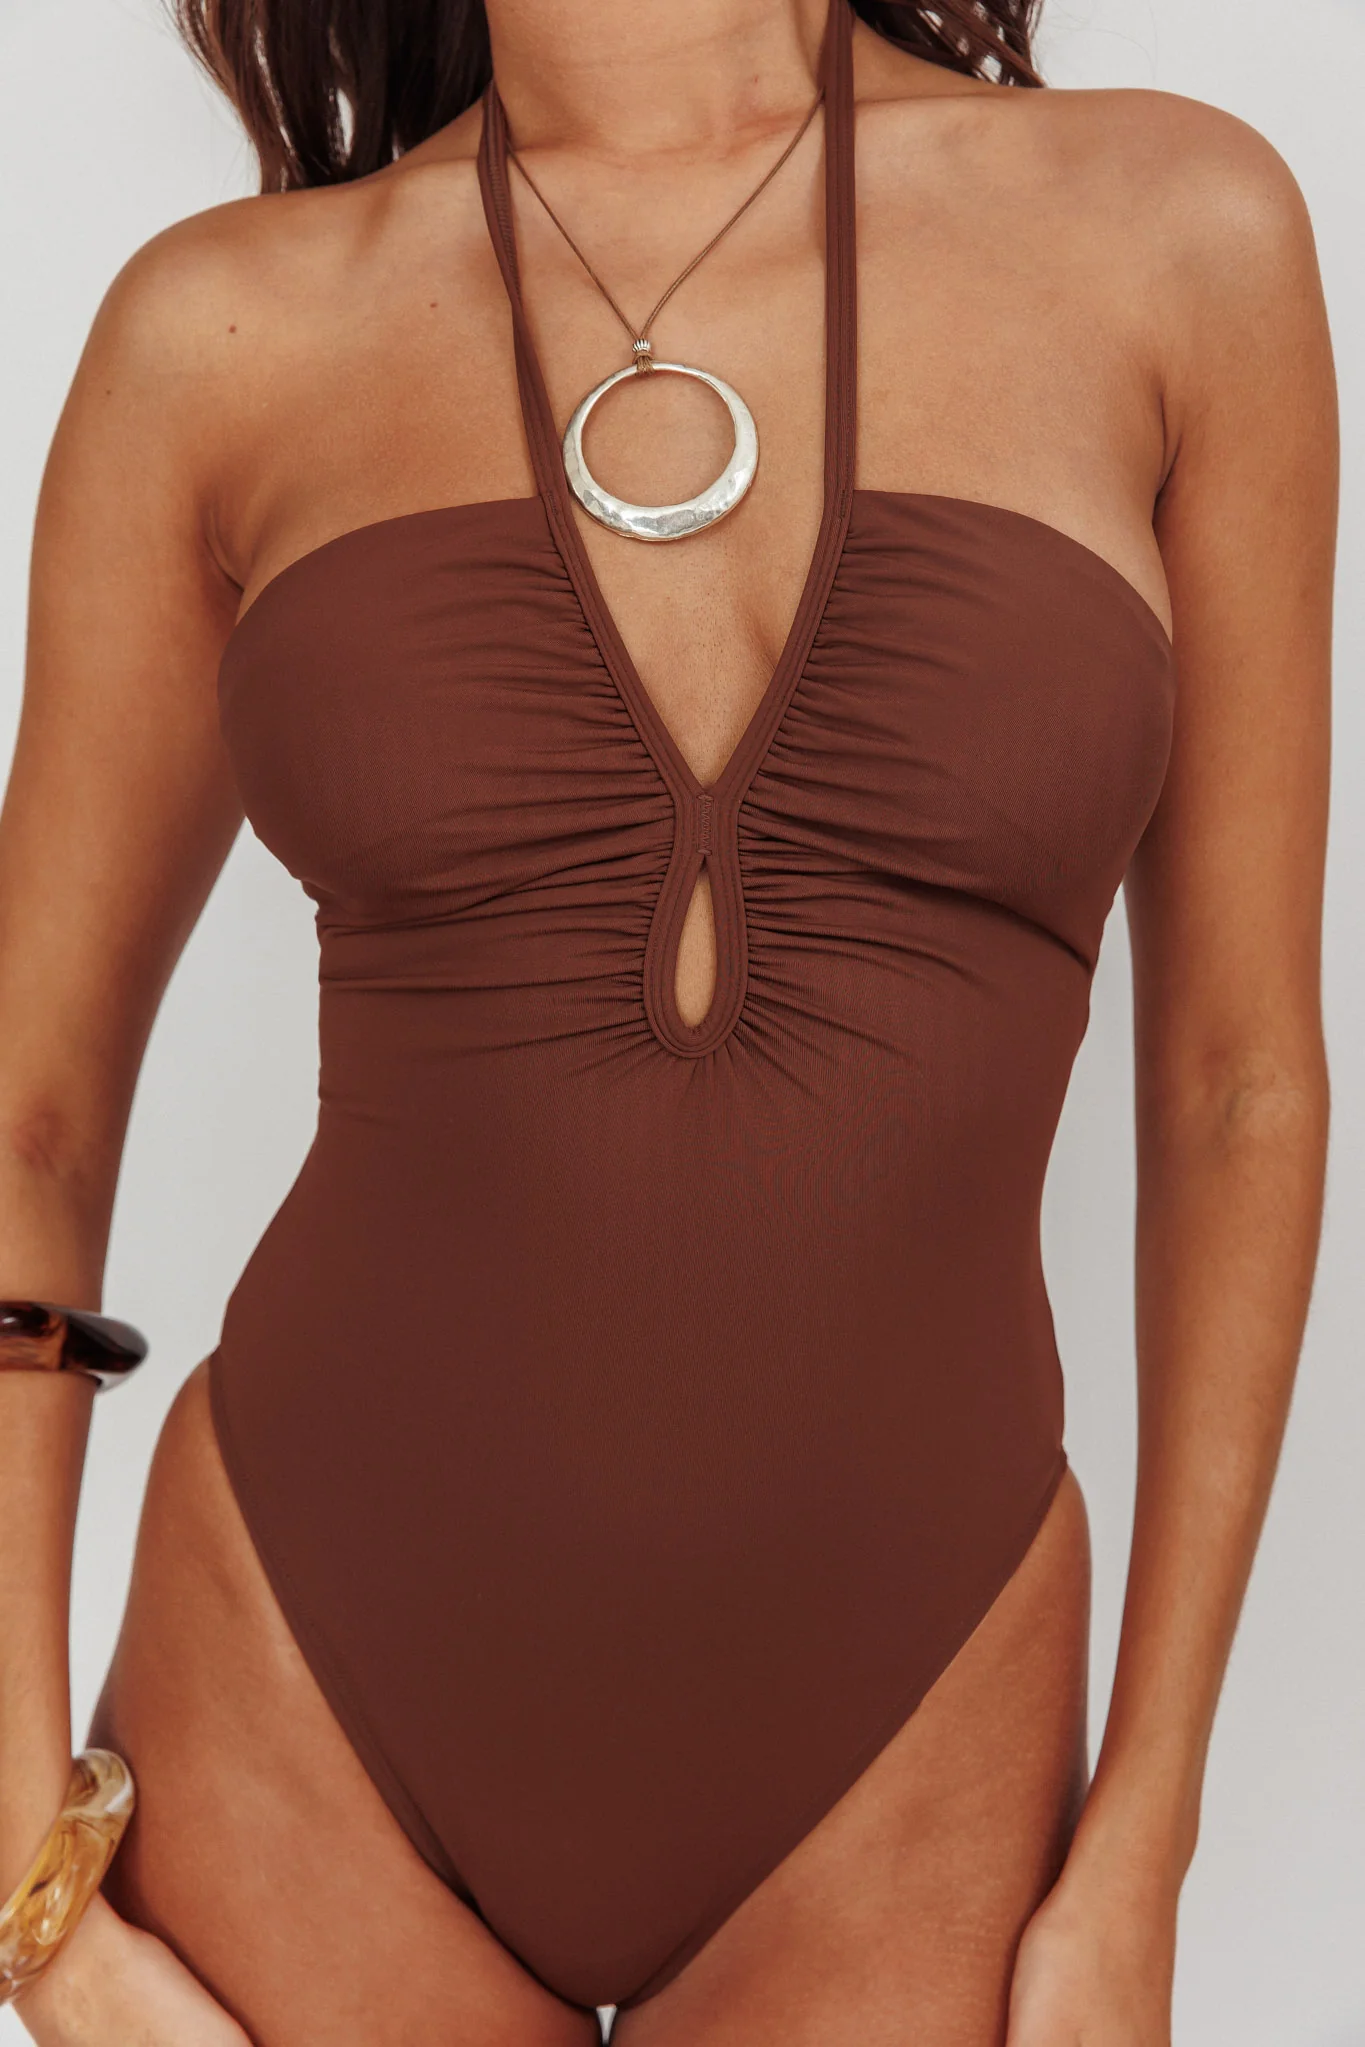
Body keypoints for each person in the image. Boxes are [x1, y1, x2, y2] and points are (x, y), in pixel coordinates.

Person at [0, 0, 1334, 2041]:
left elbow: (1239, 1086)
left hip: (920, 1730)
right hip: (298, 1701)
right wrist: (23, 1870)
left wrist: (1143, 1835)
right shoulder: (223, 334)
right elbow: (30, 1106)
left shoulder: (1175, 232)